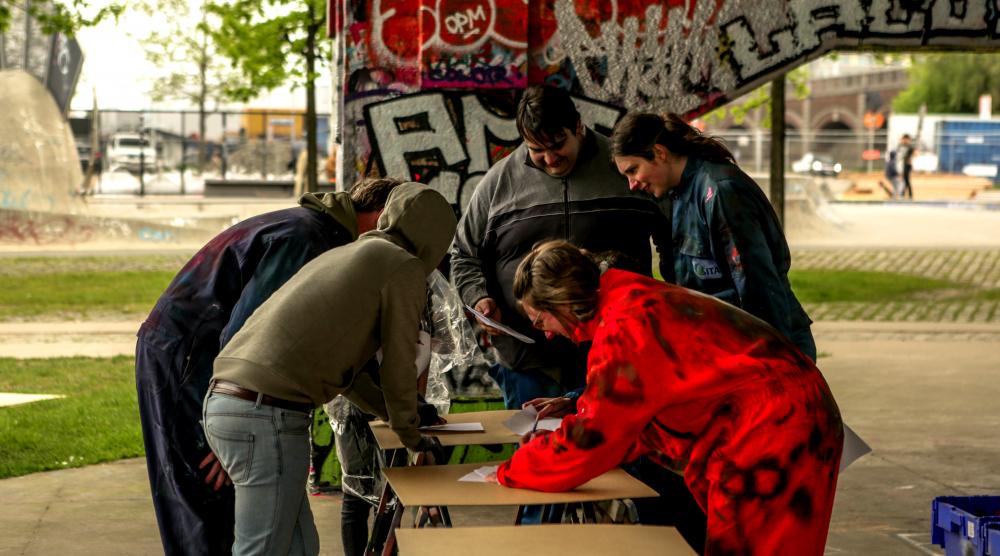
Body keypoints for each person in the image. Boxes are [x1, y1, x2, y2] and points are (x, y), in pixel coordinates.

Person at [498, 240, 844, 555]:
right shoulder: (625, 299)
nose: (545, 334)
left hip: (775, 427)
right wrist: (553, 446)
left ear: (563, 303)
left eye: (541, 319)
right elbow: (629, 421)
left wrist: (514, 469)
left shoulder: (623, 324)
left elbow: (594, 440)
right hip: (781, 416)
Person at [135, 177, 403, 555]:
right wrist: (225, 433)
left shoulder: (321, 234)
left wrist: (394, 408)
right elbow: (246, 337)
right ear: (379, 215)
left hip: (202, 357)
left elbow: (326, 359)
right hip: (190, 359)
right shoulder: (310, 240)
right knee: (207, 502)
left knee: (263, 517)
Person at [203, 182, 456, 555]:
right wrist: (411, 433)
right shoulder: (402, 267)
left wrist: (400, 414)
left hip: (231, 403)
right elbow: (400, 365)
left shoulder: (355, 253)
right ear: (437, 236)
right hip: (266, 413)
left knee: (300, 547)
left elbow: (347, 379)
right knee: (263, 549)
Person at [450, 85, 670, 411]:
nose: (550, 159)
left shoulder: (625, 170)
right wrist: (478, 297)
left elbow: (673, 239)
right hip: (526, 357)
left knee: (612, 451)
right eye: (536, 150)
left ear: (578, 126)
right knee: (536, 451)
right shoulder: (497, 183)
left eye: (557, 145)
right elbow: (463, 254)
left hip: (613, 350)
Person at [610, 111, 817, 361]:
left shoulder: (720, 192)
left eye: (633, 170)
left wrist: (772, 363)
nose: (632, 183)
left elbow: (758, 288)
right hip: (727, 346)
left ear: (659, 153)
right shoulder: (678, 193)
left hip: (764, 349)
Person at [897, 134, 915, 200]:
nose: (904, 140)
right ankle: (903, 194)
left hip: (907, 165)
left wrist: (910, 159)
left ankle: (908, 194)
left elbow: (915, 153)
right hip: (903, 164)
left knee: (906, 180)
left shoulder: (910, 147)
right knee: (904, 180)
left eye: (905, 139)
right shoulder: (901, 146)